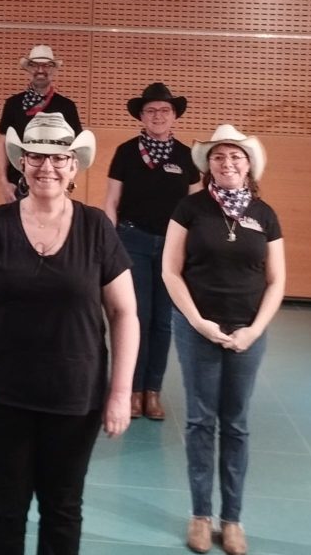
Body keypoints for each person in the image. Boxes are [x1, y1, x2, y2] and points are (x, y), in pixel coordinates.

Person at [0, 113, 139, 555]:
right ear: (22, 162)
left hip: (75, 398)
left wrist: (119, 393)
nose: (46, 166)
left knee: (62, 509)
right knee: (4, 509)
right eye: (35, 156)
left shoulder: (97, 227)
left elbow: (125, 313)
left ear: (74, 166)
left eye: (58, 158)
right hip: (2, 396)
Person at [163, 124, 285, 555]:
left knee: (236, 424)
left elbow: (277, 280)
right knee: (200, 422)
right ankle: (201, 515)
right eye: (218, 156)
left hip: (248, 331)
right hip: (197, 328)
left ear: (249, 165)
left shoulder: (265, 214)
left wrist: (254, 329)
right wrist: (197, 321)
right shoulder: (190, 208)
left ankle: (232, 519)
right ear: (208, 165)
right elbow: (170, 271)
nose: (227, 162)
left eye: (235, 156)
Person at [103, 83, 202, 420]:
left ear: (174, 116)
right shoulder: (126, 152)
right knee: (137, 317)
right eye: (151, 111)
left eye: (164, 110)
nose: (158, 116)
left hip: (173, 249)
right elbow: (111, 202)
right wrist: (110, 243)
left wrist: (194, 248)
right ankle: (132, 390)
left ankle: (153, 391)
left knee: (163, 322)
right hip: (133, 241)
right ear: (141, 117)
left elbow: (196, 207)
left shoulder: (187, 156)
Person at [0, 45, 82, 203]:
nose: (40, 70)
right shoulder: (13, 104)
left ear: (53, 70)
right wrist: (4, 181)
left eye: (46, 66)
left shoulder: (67, 107)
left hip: (54, 182)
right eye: (35, 65)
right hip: (18, 185)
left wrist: (68, 182)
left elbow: (75, 148)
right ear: (28, 69)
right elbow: (3, 142)